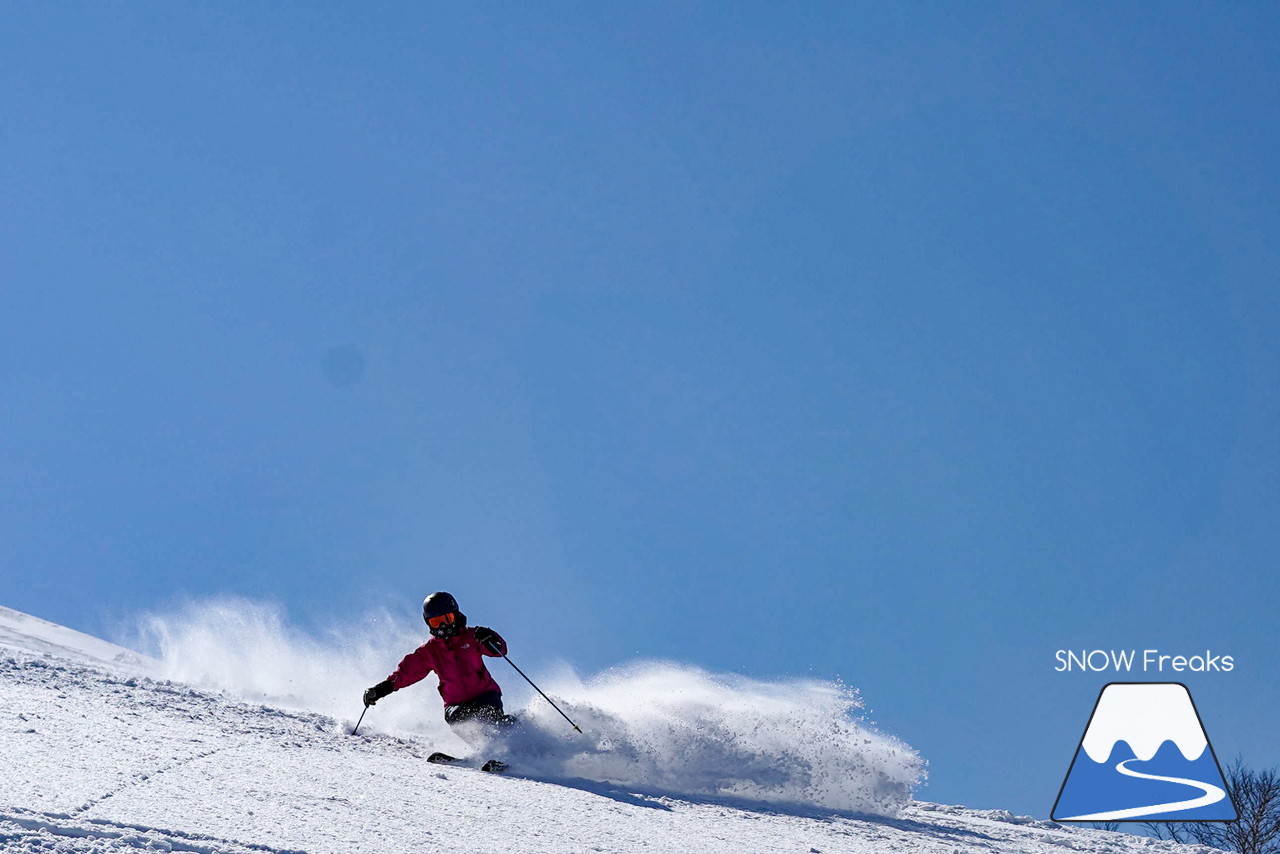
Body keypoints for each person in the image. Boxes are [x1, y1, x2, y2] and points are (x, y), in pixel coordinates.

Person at [362, 591, 515, 734]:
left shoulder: (471, 636)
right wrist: (381, 689)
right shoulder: (430, 651)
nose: (443, 627)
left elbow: (500, 650)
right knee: (458, 719)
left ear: (455, 615)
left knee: (486, 714)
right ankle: (487, 751)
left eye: (447, 619)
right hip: (456, 705)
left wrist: (488, 637)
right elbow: (406, 673)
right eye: (436, 622)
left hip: (484, 695)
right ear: (428, 623)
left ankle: (511, 739)